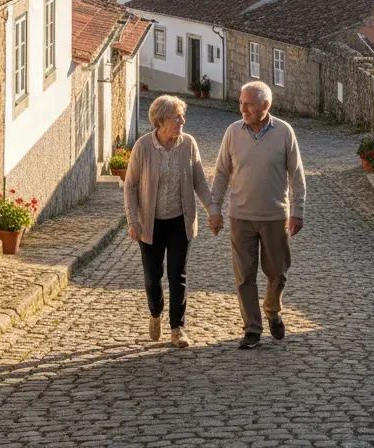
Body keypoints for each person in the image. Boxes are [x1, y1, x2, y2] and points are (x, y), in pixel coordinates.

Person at [209, 80, 306, 350]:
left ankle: (272, 308)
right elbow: (221, 174)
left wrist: (297, 211)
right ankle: (252, 327)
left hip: (275, 215)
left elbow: (296, 175)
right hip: (241, 216)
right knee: (244, 276)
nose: (243, 108)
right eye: (241, 103)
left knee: (278, 272)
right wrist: (215, 208)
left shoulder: (284, 132)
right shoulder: (232, 132)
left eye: (249, 104)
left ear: (266, 105)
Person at [124, 95, 212, 348]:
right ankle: (155, 312)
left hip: (179, 221)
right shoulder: (143, 147)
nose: (182, 121)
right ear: (161, 121)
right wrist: (133, 221)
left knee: (177, 275)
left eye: (182, 116)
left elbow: (199, 181)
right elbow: (130, 186)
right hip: (149, 223)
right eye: (177, 117)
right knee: (153, 277)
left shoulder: (188, 144)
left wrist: (212, 210)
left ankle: (177, 328)